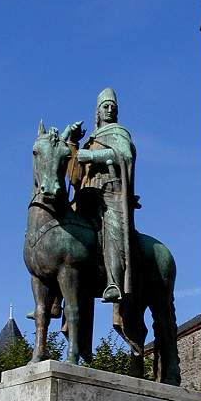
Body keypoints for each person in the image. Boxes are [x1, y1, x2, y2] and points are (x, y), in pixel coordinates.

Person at [74, 88, 138, 303]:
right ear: (98, 111)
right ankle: (56, 297)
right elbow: (74, 172)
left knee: (112, 231)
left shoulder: (119, 132)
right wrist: (73, 144)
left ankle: (113, 283)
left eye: (113, 107)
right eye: (105, 106)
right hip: (87, 194)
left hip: (111, 192)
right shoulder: (90, 138)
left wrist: (92, 155)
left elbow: (125, 154)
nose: (109, 110)